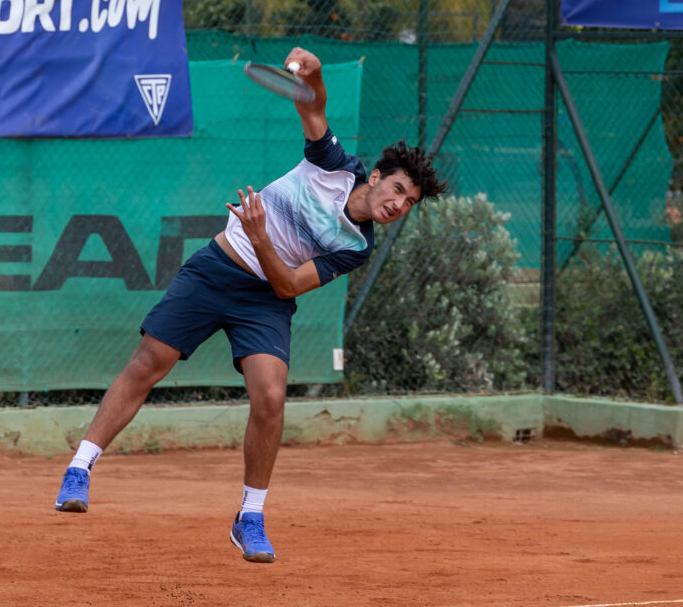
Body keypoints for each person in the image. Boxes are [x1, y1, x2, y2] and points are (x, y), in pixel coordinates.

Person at [53, 46, 448, 563]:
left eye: (409, 203)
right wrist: (316, 71)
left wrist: (262, 236)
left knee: (270, 398)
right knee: (149, 363)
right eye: (398, 189)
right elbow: (312, 107)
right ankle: (80, 467)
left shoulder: (357, 246)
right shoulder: (334, 164)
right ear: (376, 176)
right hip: (217, 268)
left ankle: (251, 516)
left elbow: (286, 286)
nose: (398, 204)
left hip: (265, 298)